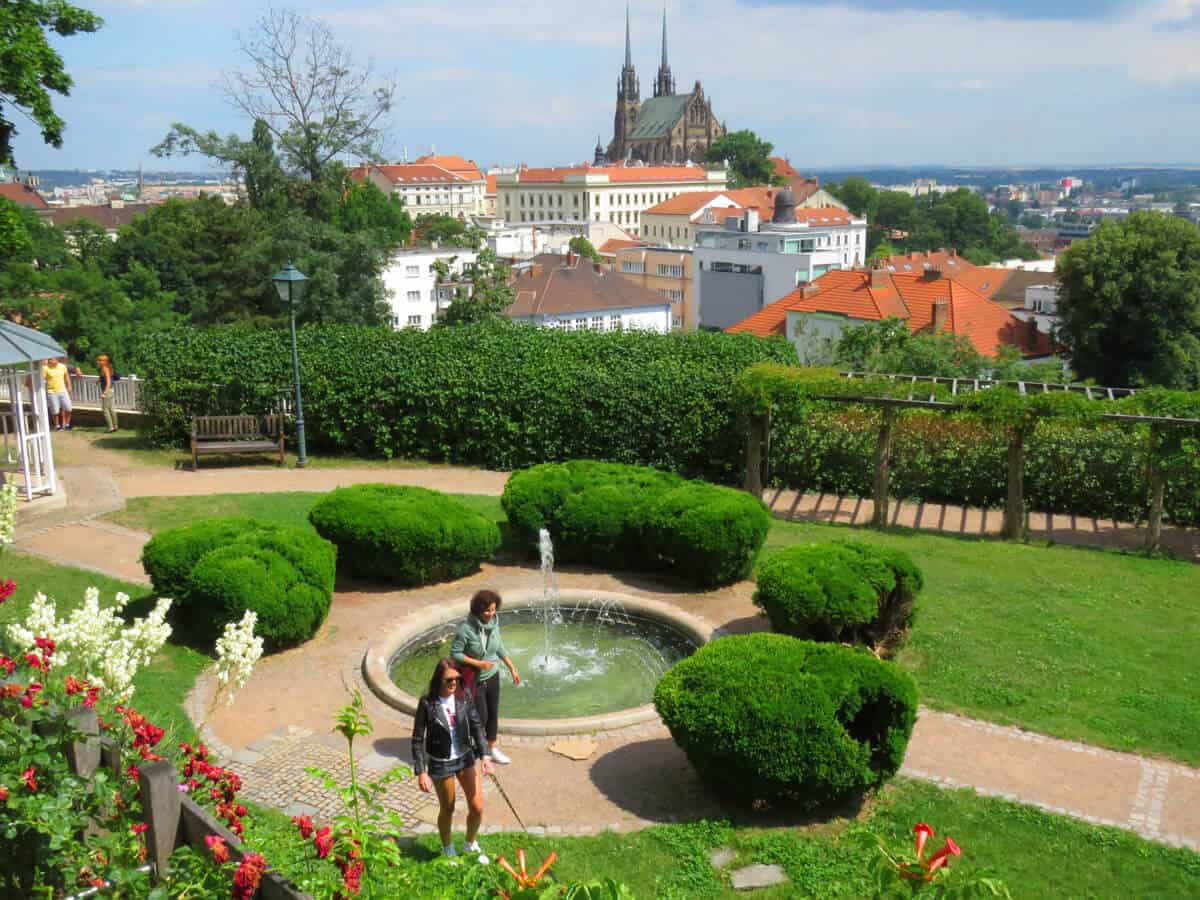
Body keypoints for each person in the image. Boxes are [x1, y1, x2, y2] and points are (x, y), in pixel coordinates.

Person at [411, 657, 494, 859]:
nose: (453, 683)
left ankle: (470, 843)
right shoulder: (427, 703)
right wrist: (421, 771)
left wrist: (485, 755)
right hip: (441, 762)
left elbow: (476, 727)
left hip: (465, 758)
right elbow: (417, 738)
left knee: (477, 807)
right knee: (448, 808)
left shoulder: (464, 698)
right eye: (449, 680)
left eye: (456, 679)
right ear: (439, 680)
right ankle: (448, 848)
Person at [451, 589, 521, 765]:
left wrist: (512, 668)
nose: (491, 614)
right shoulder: (466, 630)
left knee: (493, 715)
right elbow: (455, 653)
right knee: (481, 717)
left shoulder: (494, 624)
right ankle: (476, 749)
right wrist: (478, 664)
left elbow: (499, 647)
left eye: (493, 609)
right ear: (477, 611)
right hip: (476, 680)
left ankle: (491, 748)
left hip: (493, 677)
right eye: (487, 611)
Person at [42, 357, 72, 431]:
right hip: (52, 392)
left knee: (68, 408)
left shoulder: (62, 366)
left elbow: (66, 376)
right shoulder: (45, 368)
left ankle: (67, 424)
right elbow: (42, 379)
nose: (51, 361)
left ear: (56, 360)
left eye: (52, 359)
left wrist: (69, 386)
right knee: (55, 411)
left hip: (63, 390)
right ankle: (57, 425)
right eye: (49, 360)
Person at [97, 354, 118, 433]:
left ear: (105, 361)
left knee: (105, 409)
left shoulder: (105, 368)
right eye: (98, 360)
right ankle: (115, 426)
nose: (98, 362)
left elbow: (108, 382)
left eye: (100, 360)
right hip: (111, 390)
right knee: (112, 409)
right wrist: (99, 380)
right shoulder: (107, 368)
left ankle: (110, 427)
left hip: (107, 391)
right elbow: (105, 378)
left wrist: (104, 393)